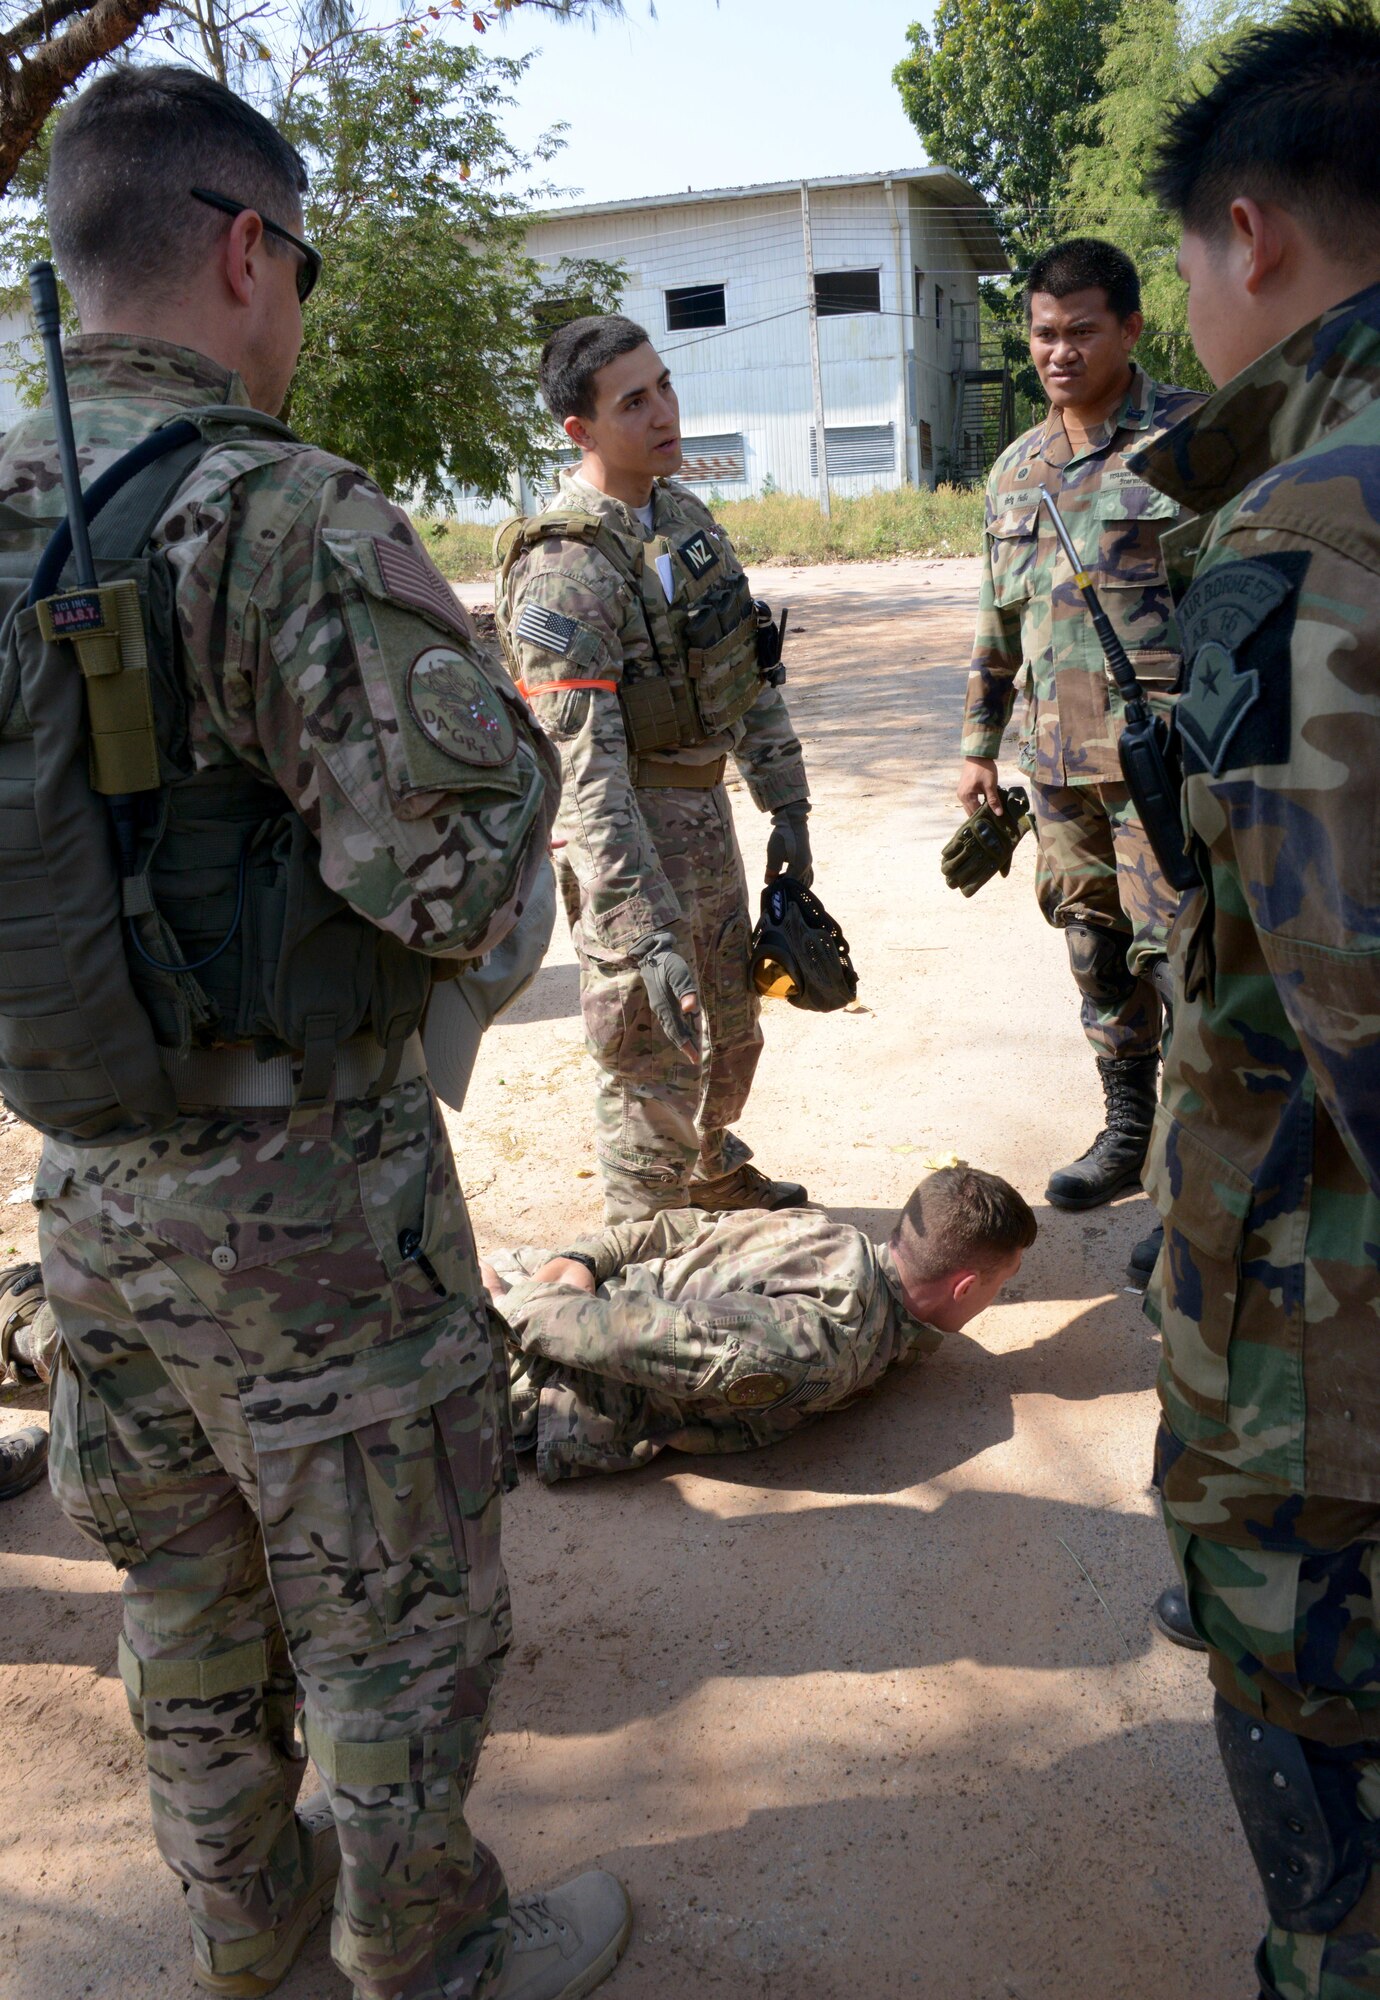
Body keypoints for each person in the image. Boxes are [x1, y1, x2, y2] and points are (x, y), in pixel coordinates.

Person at [3, 67, 630, 2000]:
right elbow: (462, 886)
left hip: (86, 1179)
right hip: (308, 1201)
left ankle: (248, 1937)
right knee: (391, 1616)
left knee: (181, 1597)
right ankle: (424, 1953)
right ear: (249, 248)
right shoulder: (272, 513)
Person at [1127, 8, 1380, 1995]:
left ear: (1251, 235)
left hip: (1330, 1384)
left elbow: (1355, 1008)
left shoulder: (1311, 523)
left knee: (1340, 1862)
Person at [494, 316, 813, 1223]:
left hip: (705, 820)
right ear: (580, 431)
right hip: (629, 837)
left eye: (665, 386)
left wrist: (786, 806)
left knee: (733, 1030)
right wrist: (638, 924)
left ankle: (709, 1171)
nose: (666, 412)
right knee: (648, 1049)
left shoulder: (683, 520)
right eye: (634, 401)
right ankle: (642, 1245)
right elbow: (583, 771)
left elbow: (746, 672)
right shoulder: (565, 566)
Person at [955, 239, 1203, 1228]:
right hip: (1055, 764)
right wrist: (978, 743)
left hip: (1163, 763)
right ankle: (1127, 1128)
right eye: (1043, 333)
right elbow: (994, 618)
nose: (1058, 352)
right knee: (1093, 948)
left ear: (1130, 328)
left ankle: (1200, 1178)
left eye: (1081, 331)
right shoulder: (1017, 468)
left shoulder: (1191, 437)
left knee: (1185, 959)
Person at [481, 1167, 1035, 1483]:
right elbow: (632, 1339)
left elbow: (682, 1229)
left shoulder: (830, 1235)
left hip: (551, 1290)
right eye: (998, 1284)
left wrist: (582, 1259)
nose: (995, 1297)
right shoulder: (823, 1347)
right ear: (963, 1286)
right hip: (523, 1372)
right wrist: (514, 1304)